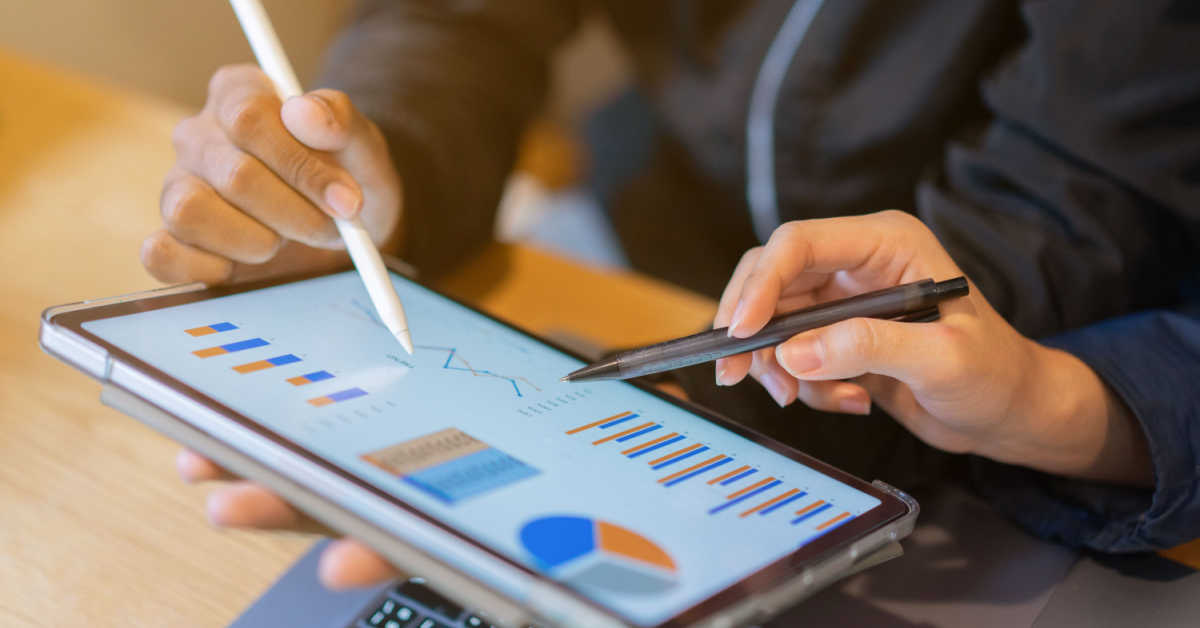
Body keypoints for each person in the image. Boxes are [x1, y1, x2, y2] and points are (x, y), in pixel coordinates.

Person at [149, 0, 1200, 588]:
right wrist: (375, 164)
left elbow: (1071, 204)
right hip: (656, 245)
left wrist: (653, 449)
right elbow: (455, 20)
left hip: (1030, 348)